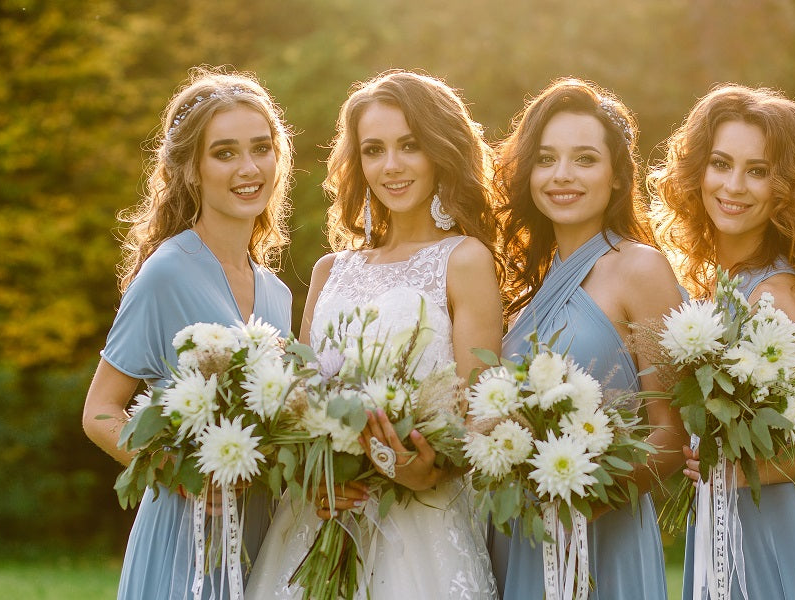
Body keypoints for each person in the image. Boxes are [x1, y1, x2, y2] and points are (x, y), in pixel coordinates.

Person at [246, 70, 502, 599]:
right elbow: (301, 400)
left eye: (410, 145)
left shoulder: (465, 260)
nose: (391, 166)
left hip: (420, 522)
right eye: (373, 149)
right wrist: (313, 475)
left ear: (440, 152)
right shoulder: (330, 270)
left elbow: (480, 413)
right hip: (318, 515)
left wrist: (426, 471)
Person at [648, 83, 795, 599]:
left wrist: (738, 477)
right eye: (721, 163)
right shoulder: (703, 283)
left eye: (758, 171)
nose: (733, 186)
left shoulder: (770, 293)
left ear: (785, 187)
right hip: (723, 527)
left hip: (784, 537)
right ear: (697, 171)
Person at [81, 67, 295, 599]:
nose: (249, 168)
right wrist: (180, 473)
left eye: (261, 148)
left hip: (265, 538)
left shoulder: (278, 294)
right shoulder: (167, 272)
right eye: (224, 153)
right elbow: (100, 411)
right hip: (185, 539)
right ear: (191, 170)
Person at [489, 78, 688, 600]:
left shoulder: (640, 269)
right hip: (520, 530)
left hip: (602, 529)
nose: (561, 176)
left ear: (618, 176)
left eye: (584, 159)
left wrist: (591, 490)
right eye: (546, 159)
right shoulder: (523, 286)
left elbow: (674, 431)